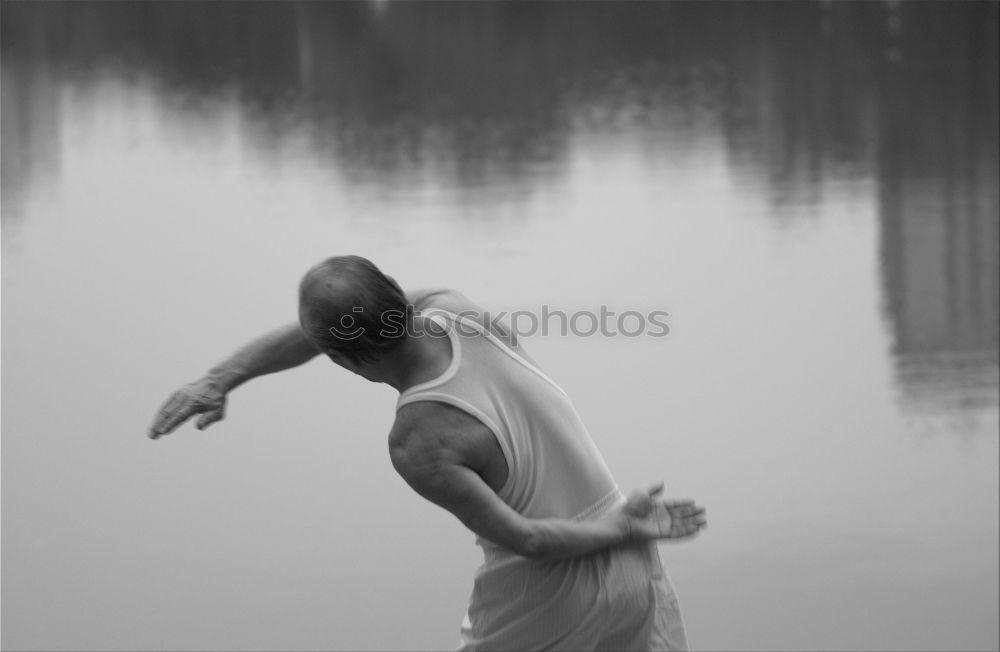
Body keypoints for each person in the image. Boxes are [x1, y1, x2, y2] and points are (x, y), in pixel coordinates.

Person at [150, 255, 707, 651]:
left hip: (553, 590)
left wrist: (624, 531)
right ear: (398, 293)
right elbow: (320, 333)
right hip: (634, 564)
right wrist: (222, 377)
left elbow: (530, 540)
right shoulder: (457, 309)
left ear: (341, 363)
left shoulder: (418, 440)